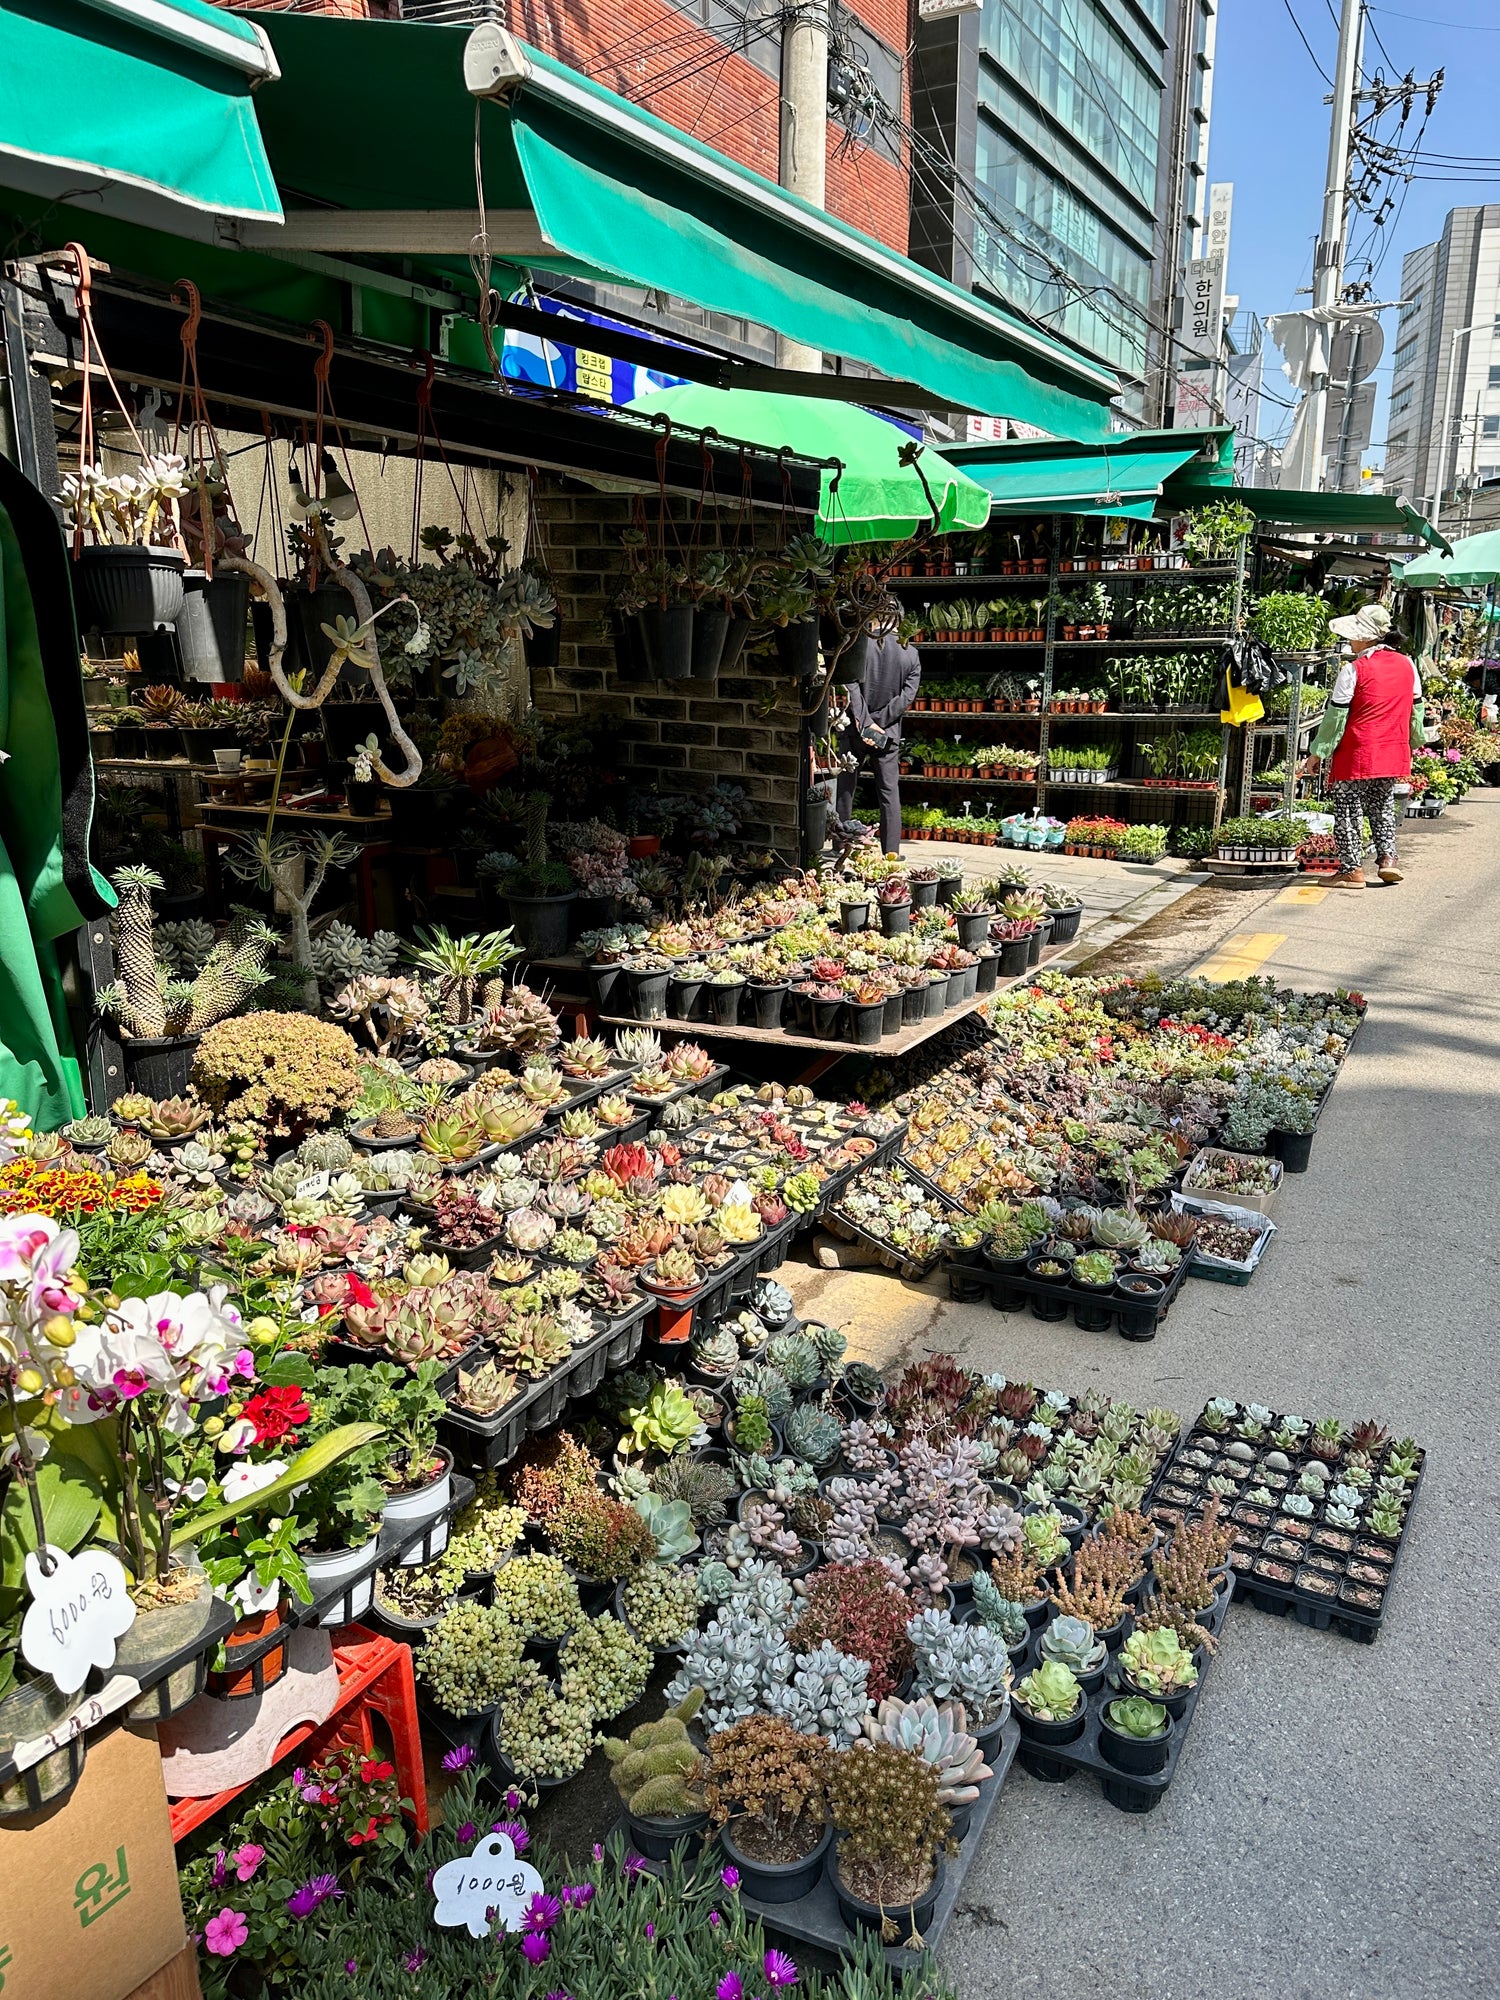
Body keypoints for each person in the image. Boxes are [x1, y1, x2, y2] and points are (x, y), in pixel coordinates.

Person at [1309, 602, 1424, 889]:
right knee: (1382, 804)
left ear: (1365, 636)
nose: (1349, 639)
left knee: (1348, 809)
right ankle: (1387, 859)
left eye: (1353, 634)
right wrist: (1413, 743)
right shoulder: (1407, 665)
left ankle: (1351, 870)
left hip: (1357, 752)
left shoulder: (1354, 670)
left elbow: (1335, 718)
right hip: (1392, 751)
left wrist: (1318, 752)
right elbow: (1416, 713)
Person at [834, 605, 921, 856]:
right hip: (887, 733)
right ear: (900, 622)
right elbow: (906, 698)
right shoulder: (911, 654)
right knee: (889, 794)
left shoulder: (857, 646)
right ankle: (891, 852)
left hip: (854, 729)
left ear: (873, 618)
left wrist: (864, 721)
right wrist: (879, 723)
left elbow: (849, 684)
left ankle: (841, 846)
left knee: (845, 789)